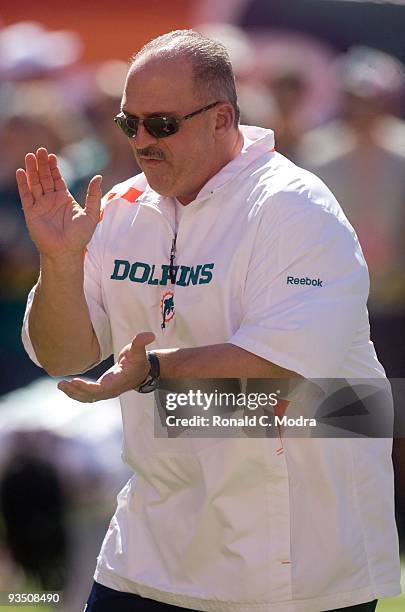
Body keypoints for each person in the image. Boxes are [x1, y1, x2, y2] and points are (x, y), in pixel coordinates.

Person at [18, 30, 400, 612]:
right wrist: (61, 261)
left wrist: (151, 372)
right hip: (151, 548)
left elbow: (282, 375)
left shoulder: (294, 206)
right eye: (130, 124)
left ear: (222, 119)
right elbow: (61, 356)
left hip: (296, 561)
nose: (142, 141)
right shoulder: (118, 211)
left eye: (162, 124)